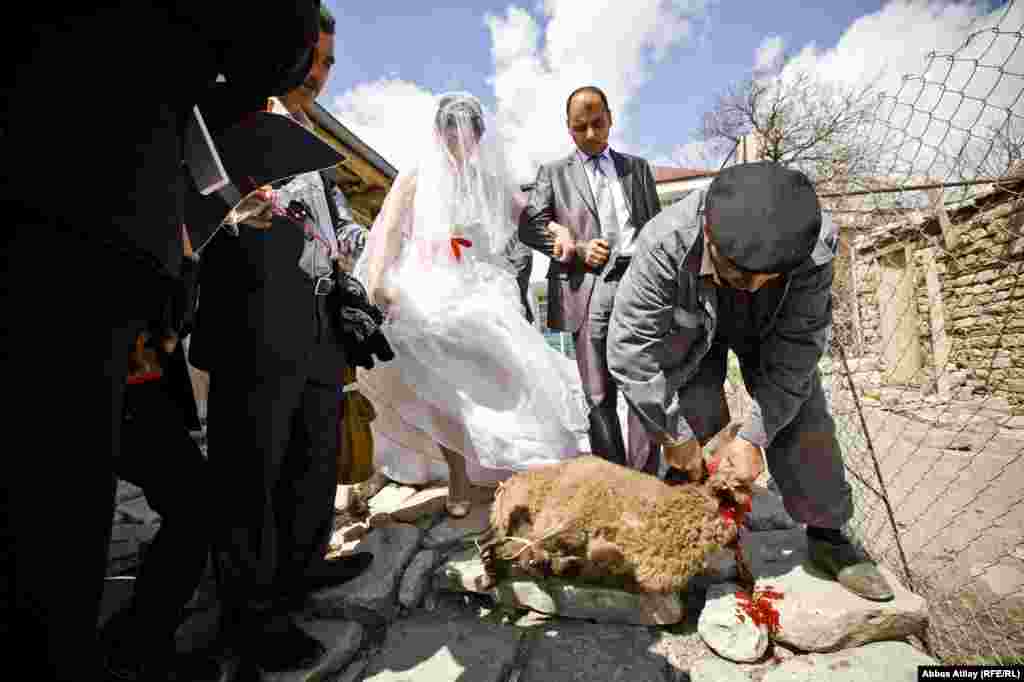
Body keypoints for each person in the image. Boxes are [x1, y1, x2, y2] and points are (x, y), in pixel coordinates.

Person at [3, 4, 322, 679]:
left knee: (175, 503)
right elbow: (269, 43)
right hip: (95, 274)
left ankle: (137, 641)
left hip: (127, 318)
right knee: (71, 519)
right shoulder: (163, 99)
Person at [607, 161, 894, 602]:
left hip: (770, 330)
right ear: (708, 233)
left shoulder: (813, 246)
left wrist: (754, 437)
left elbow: (797, 353)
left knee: (803, 419)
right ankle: (698, 532)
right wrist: (672, 434)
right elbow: (630, 348)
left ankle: (829, 536)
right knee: (696, 418)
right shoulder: (665, 242)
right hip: (692, 333)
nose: (755, 285)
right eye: (741, 273)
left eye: (769, 276)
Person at [188, 6, 374, 672]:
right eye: (310, 58)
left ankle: (300, 568)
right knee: (250, 479)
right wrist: (233, 214)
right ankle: (251, 619)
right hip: (252, 328)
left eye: (328, 63)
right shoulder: (225, 118)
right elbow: (189, 203)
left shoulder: (308, 136)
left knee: (312, 464)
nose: (317, 74)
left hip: (319, 331)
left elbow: (340, 218)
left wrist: (353, 243)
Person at [355, 92, 589, 516]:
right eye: (451, 131)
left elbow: (527, 214)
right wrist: (378, 280)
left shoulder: (488, 178)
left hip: (480, 286)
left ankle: (523, 460)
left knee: (507, 371)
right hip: (426, 287)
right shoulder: (416, 176)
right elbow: (389, 227)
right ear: (438, 132)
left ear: (479, 136)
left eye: (468, 132)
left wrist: (558, 231)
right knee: (439, 382)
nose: (459, 139)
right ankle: (458, 473)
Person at [519, 85, 662, 473]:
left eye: (598, 123)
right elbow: (529, 227)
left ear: (610, 119)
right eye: (580, 127)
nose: (591, 134)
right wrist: (578, 249)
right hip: (587, 285)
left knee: (644, 383)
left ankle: (646, 479)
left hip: (638, 281)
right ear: (568, 128)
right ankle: (613, 479)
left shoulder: (637, 169)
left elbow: (656, 230)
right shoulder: (553, 173)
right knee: (598, 392)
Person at [100, 318, 220, 680]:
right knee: (195, 507)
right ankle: (143, 647)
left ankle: (138, 635)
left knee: (192, 505)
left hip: (140, 383)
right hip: (126, 386)